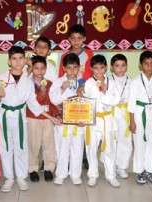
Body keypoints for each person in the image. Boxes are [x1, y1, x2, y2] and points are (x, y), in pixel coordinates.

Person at [0, 46, 60, 192]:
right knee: (5, 147)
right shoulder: (2, 77)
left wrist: (51, 118)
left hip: (20, 116)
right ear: (9, 61)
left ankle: (21, 176)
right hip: (5, 115)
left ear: (25, 60)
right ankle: (9, 178)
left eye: (20, 58)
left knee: (21, 146)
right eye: (14, 58)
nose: (17, 61)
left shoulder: (27, 81)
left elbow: (34, 104)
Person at [128, 51, 152, 185]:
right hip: (139, 113)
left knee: (151, 143)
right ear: (140, 65)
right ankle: (139, 171)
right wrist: (132, 121)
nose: (149, 67)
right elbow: (131, 102)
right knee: (139, 143)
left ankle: (150, 170)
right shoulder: (135, 81)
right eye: (146, 64)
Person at [58, 24, 94, 169]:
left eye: (79, 38)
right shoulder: (64, 56)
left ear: (84, 39)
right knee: (71, 122)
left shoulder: (89, 54)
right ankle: (67, 158)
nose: (76, 41)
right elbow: (61, 75)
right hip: (69, 92)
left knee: (83, 123)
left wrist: (82, 85)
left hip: (84, 90)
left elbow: (91, 73)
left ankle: (84, 156)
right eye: (73, 38)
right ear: (69, 40)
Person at [84, 55, 121, 187]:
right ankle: (93, 174)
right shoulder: (88, 83)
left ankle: (110, 175)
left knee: (109, 148)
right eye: (96, 68)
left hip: (107, 119)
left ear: (106, 68)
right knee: (91, 148)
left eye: (101, 68)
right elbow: (86, 102)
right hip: (93, 120)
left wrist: (106, 92)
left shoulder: (112, 82)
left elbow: (116, 100)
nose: (99, 71)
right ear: (91, 69)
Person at [49, 53, 84, 185]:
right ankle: (61, 173)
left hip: (78, 121)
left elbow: (87, 102)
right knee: (62, 147)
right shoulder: (58, 82)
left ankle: (75, 174)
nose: (72, 71)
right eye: (69, 68)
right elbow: (54, 99)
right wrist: (62, 89)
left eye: (75, 68)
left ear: (79, 67)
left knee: (77, 148)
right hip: (63, 121)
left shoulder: (83, 82)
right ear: (64, 68)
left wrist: (84, 119)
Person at [27, 55, 59, 182]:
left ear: (46, 69)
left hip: (48, 118)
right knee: (34, 144)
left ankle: (49, 168)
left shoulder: (50, 83)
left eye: (42, 68)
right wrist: (42, 93)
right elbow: (34, 102)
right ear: (32, 69)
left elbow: (52, 101)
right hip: (33, 117)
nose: (39, 71)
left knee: (49, 144)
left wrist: (56, 114)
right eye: (36, 68)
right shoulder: (28, 84)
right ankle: (33, 169)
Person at [109, 54, 132, 179]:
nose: (120, 68)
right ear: (112, 68)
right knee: (111, 140)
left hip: (125, 114)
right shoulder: (107, 80)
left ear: (127, 66)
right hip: (111, 113)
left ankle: (122, 167)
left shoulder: (131, 81)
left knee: (125, 140)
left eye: (123, 65)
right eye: (117, 66)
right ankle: (111, 165)